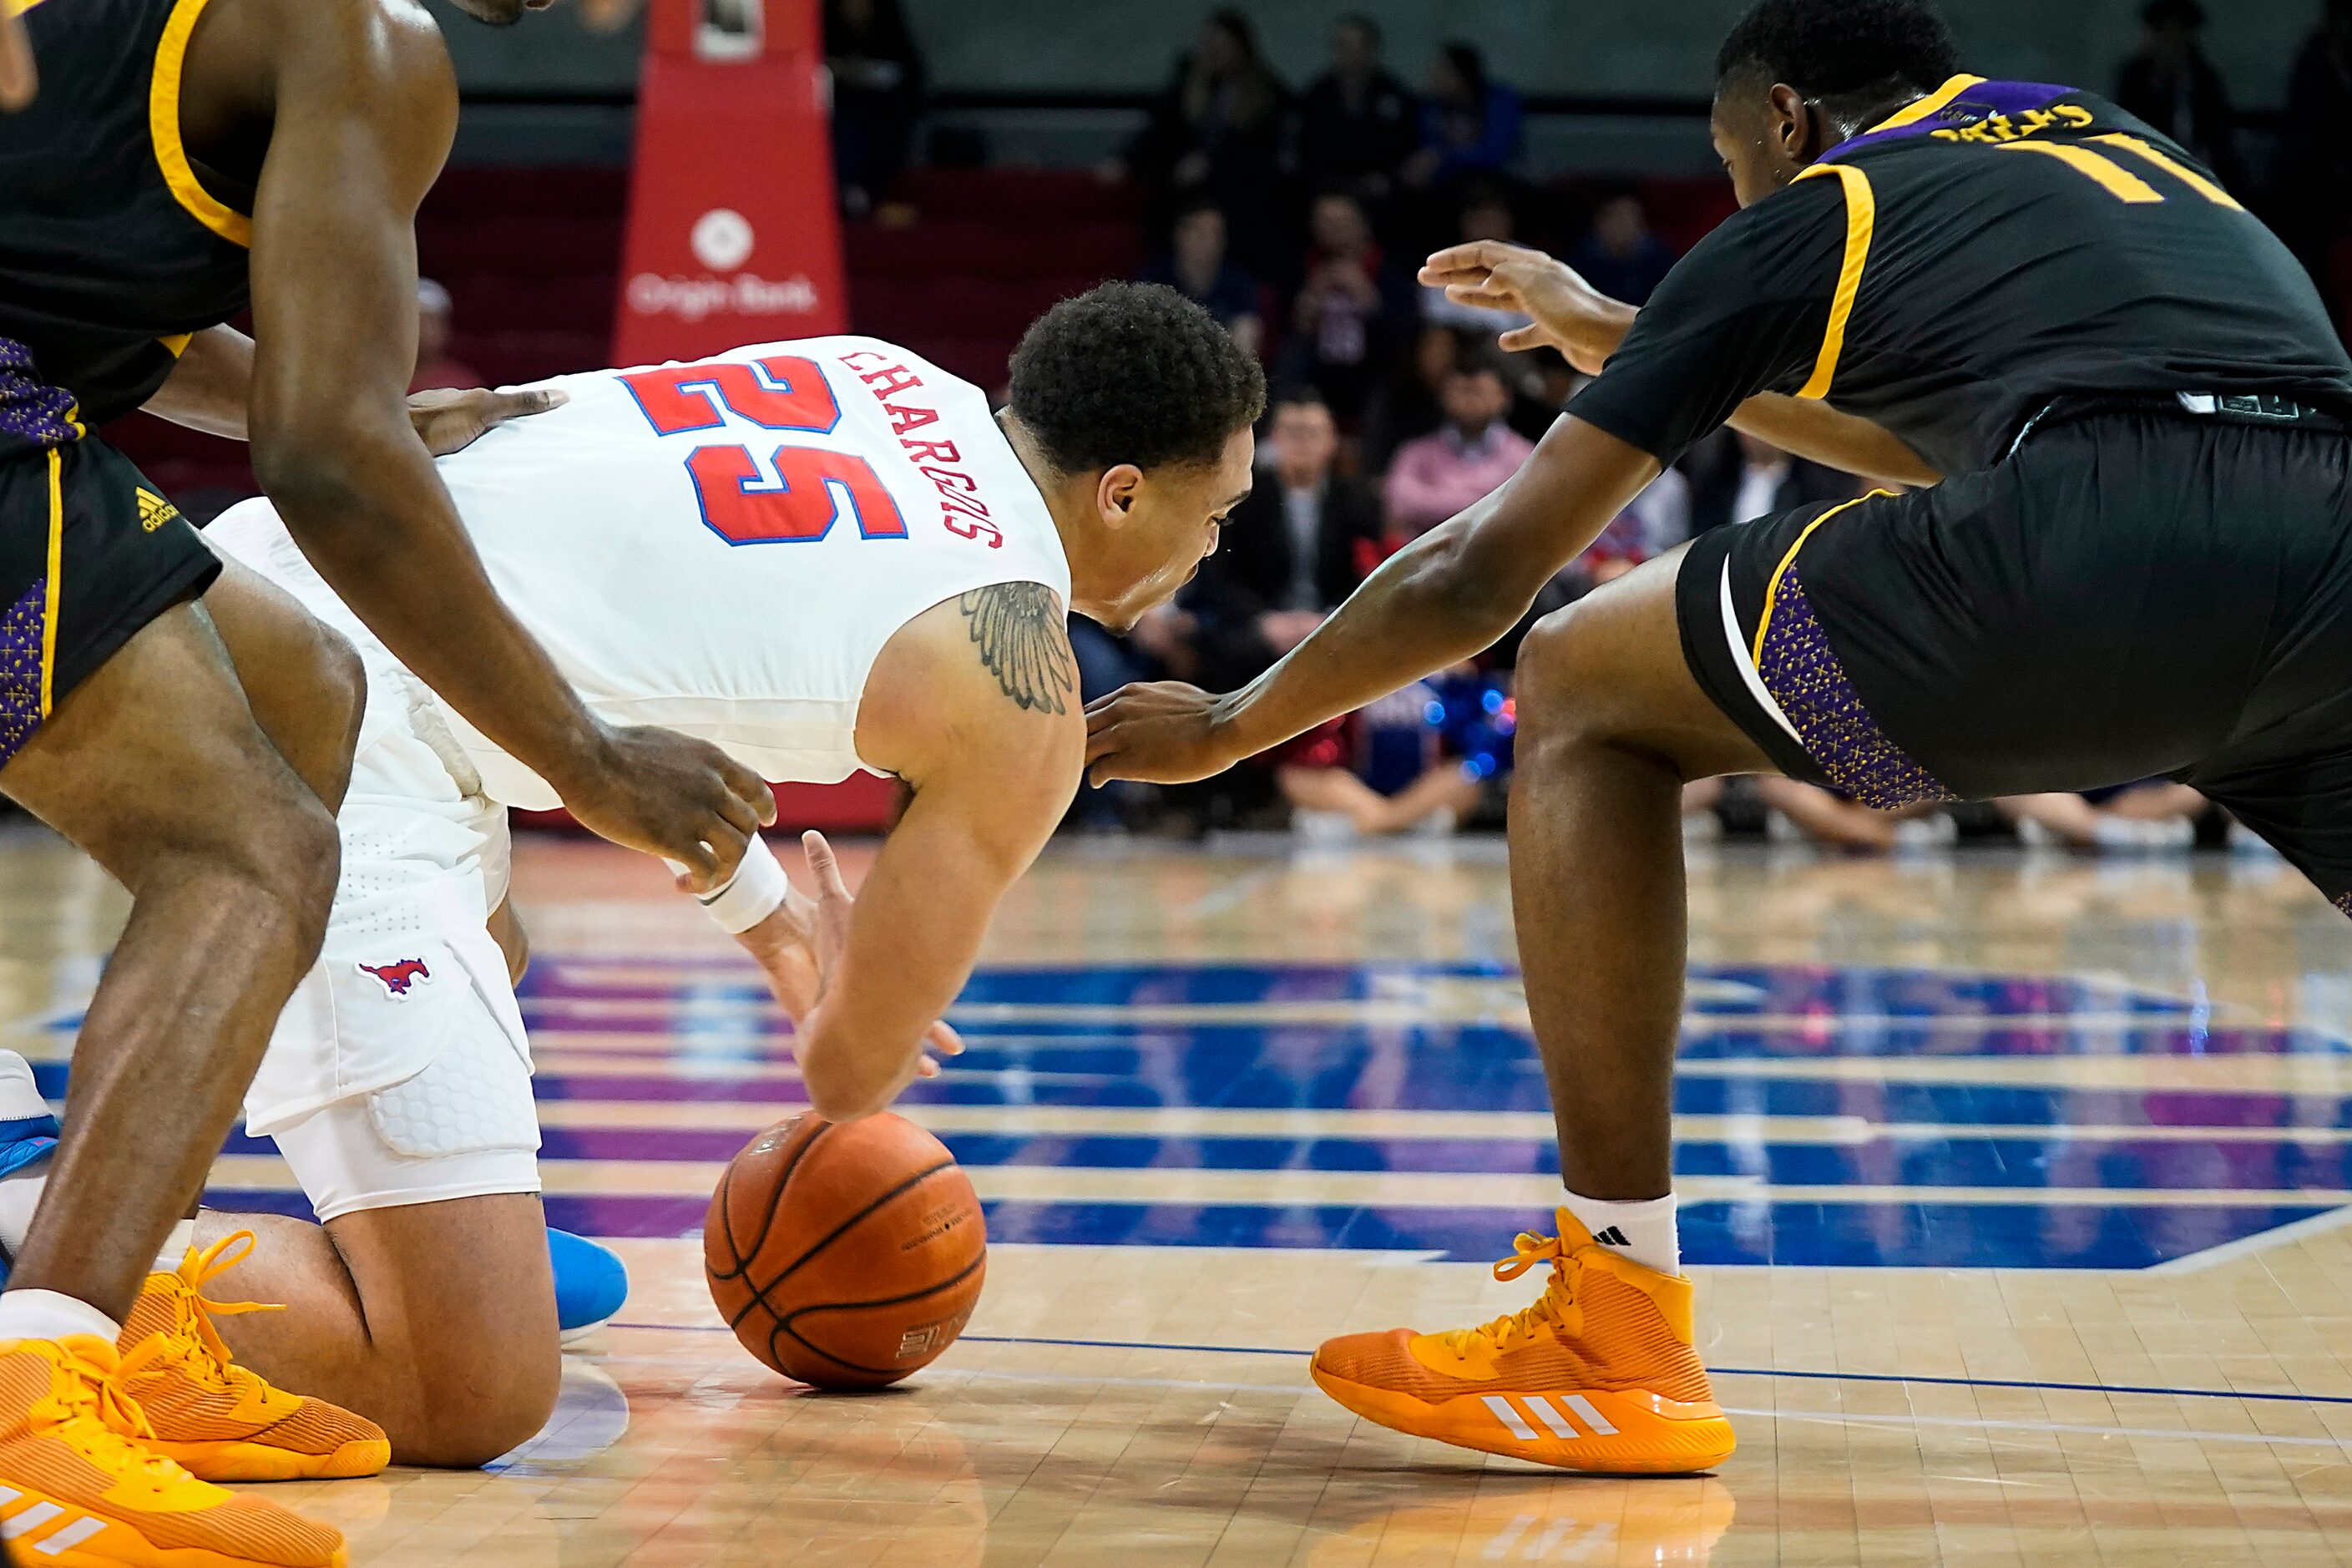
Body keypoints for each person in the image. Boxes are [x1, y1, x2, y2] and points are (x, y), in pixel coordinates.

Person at [1087, 0, 2352, 1476]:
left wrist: (1235, 723)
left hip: (2083, 542)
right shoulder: (2098, 138)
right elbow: (1925, 435)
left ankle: (1613, 1315)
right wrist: (1631, 342)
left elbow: (1474, 575)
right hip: (2324, 544)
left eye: (1728, 153)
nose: (1737, 185)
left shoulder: (1823, 200)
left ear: (1785, 120)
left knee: (1577, 678)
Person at [3, 285, 1263, 1473]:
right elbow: (849, 1080)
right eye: (1214, 514)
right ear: (1117, 495)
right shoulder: (1023, 690)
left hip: (279, 576)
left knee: (495, 947)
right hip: (350, 721)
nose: (1210, 549)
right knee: (474, 1384)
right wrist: (848, 996)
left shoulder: (881, 375)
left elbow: (619, 627)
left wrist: (774, 924)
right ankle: (44, 1254)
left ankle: (382, 1235)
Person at [0, 0, 777, 1557]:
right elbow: (328, 463)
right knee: (257, 849)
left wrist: (368, 404)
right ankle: (41, 1387)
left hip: (37, 379)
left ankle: (118, 1275)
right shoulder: (364, 38)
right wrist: (589, 757)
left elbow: (130, 310)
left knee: (307, 684)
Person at [1188, 388, 1382, 693]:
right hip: (1262, 625)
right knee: (1221, 649)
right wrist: (1265, 620)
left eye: (1313, 433)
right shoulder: (1242, 502)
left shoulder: (1358, 503)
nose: (1303, 443)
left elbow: (1368, 574)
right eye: (1293, 432)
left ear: (1332, 441)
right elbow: (1220, 577)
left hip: (1334, 622)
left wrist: (1329, 618)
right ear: (1274, 438)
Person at [1124, 11, 1290, 268]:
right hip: (1186, 194)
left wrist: (1212, 165)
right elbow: (1157, 134)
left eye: (1222, 47)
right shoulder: (1185, 87)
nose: (1214, 54)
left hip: (1241, 193)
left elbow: (1261, 153)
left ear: (1242, 49)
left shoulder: (1267, 93)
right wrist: (1126, 159)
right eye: (1208, 47)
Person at [1279, 192, 1419, 426]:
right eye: (1324, 222)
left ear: (1363, 223)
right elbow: (1285, 333)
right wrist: (1309, 302)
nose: (1333, 230)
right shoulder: (1299, 269)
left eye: (1341, 222)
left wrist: (1369, 299)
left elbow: (1405, 334)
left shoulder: (1388, 273)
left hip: (1373, 369)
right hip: (1317, 369)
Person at [1383, 357, 1536, 539]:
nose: (1469, 400)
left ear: (1504, 396)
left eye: (1477, 391)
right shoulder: (1415, 454)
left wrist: (1438, 499)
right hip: (1427, 557)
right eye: (1462, 391)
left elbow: (1529, 514)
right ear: (1443, 394)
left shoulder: (1525, 455)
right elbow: (1400, 505)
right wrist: (1486, 502)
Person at [1296, 14, 1420, 215]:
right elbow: (1306, 152)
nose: (1350, 54)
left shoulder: (1394, 95)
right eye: (1343, 46)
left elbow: (1408, 148)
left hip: (1383, 191)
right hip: (1329, 190)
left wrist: (1389, 178)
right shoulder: (1316, 95)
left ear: (1371, 49)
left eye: (1357, 46)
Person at [2113, 0, 2238, 190]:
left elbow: (2217, 136)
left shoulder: (2204, 80)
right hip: (2147, 172)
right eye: (2165, 33)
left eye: (2178, 33)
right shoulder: (2136, 79)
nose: (2171, 42)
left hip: (2198, 176)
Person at [824, 0, 926, 220]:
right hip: (838, 117)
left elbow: (911, 79)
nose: (855, 8)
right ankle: (851, 196)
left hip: (884, 117)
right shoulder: (824, 35)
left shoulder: (891, 35)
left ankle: (873, 197)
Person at [1682, 427, 1861, 534]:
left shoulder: (1818, 488)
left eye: (1764, 427)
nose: (1758, 435)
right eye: (1750, 427)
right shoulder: (1715, 486)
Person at [1142, 204, 1264, 359]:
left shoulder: (1239, 282)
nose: (1210, 242)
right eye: (1201, 233)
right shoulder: (1154, 277)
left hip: (1220, 368)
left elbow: (1248, 335)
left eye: (1216, 234)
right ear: (1180, 234)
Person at [1403, 43, 1524, 195]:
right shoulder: (1430, 108)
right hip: (1446, 186)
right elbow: (1427, 149)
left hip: (1495, 182)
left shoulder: (1499, 101)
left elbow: (1495, 153)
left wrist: (1445, 157)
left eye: (1442, 72)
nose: (1433, 80)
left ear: (1461, 75)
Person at [1566, 192, 1679, 307]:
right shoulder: (1581, 263)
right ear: (1599, 222)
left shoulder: (1660, 262)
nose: (1621, 225)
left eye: (1628, 217)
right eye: (1614, 217)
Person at [410, 278, 483, 394]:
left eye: (431, 323)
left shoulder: (463, 385)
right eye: (415, 323)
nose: (423, 331)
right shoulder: (379, 381)